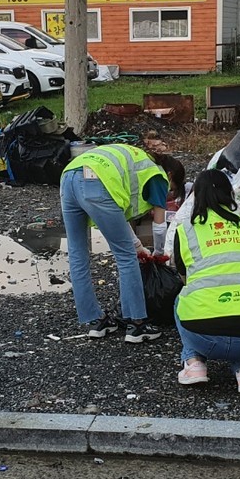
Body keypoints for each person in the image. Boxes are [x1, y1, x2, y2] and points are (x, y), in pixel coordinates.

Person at [60, 143, 185, 343]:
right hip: (96, 181)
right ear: (171, 176)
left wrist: (139, 247)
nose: (168, 194)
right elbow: (160, 226)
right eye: (173, 190)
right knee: (126, 257)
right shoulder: (158, 175)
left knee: (77, 254)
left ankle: (96, 321)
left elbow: (119, 220)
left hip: (68, 177)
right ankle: (137, 325)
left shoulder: (136, 161)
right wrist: (159, 253)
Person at [172, 170, 240, 393]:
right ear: (230, 194)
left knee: (182, 299)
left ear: (196, 196)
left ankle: (194, 364)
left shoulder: (186, 231)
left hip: (204, 337)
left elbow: (185, 277)